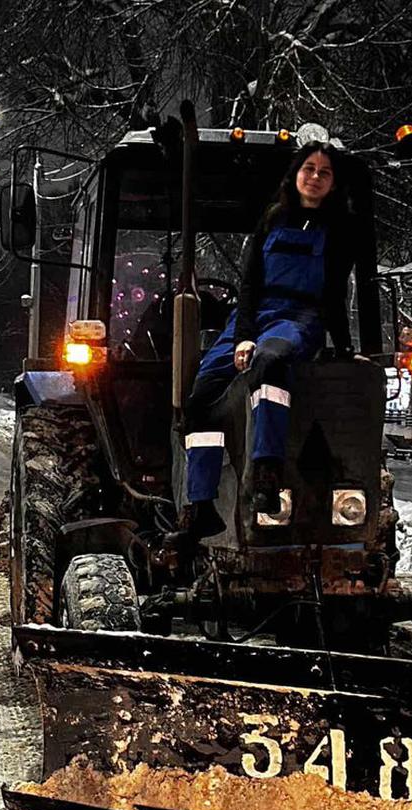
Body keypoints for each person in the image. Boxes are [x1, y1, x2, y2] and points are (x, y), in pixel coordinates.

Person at [170, 142, 358, 545]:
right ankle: (200, 506)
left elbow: (334, 295)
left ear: (333, 183)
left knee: (271, 361)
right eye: (309, 168)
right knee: (201, 395)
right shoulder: (272, 220)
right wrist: (243, 336)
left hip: (300, 317)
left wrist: (344, 348)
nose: (315, 177)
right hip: (254, 314)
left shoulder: (339, 230)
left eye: (324, 172)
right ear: (296, 174)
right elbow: (250, 284)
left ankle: (266, 471)